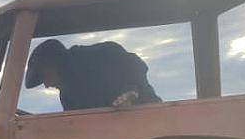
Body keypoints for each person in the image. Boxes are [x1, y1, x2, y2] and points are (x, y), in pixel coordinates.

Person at [24, 38, 161, 111]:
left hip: (148, 119)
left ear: (56, 64)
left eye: (45, 76)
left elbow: (134, 64)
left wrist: (131, 91)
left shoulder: (97, 56)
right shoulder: (67, 96)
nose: (47, 85)